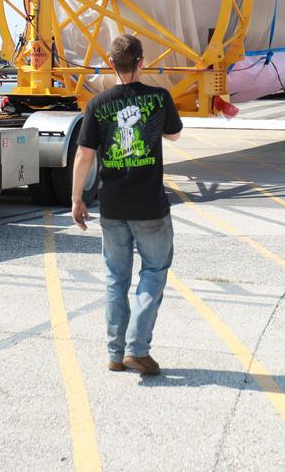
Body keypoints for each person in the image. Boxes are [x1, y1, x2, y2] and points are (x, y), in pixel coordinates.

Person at [72, 34, 183, 375]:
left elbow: (84, 155)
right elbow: (175, 134)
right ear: (141, 62)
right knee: (154, 270)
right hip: (150, 205)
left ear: (111, 64)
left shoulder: (97, 103)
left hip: (113, 207)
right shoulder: (159, 98)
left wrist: (77, 198)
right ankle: (138, 347)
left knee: (115, 279)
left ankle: (116, 353)